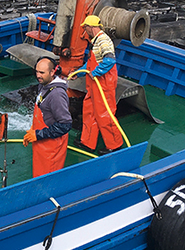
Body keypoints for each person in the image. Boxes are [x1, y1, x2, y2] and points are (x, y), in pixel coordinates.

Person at [79, 14, 124, 153]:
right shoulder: (96, 40)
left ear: (90, 27)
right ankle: (88, 142)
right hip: (95, 83)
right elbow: (92, 63)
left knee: (105, 113)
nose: (84, 31)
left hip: (104, 83)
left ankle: (114, 145)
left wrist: (95, 73)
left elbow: (109, 61)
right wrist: (78, 72)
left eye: (85, 27)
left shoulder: (103, 40)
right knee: (89, 110)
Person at [23, 52, 72, 176]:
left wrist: (38, 134)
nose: (38, 76)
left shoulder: (56, 95)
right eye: (37, 72)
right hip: (41, 145)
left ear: (52, 72)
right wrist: (32, 131)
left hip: (51, 149)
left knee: (47, 179)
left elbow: (65, 125)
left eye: (42, 73)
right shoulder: (44, 84)